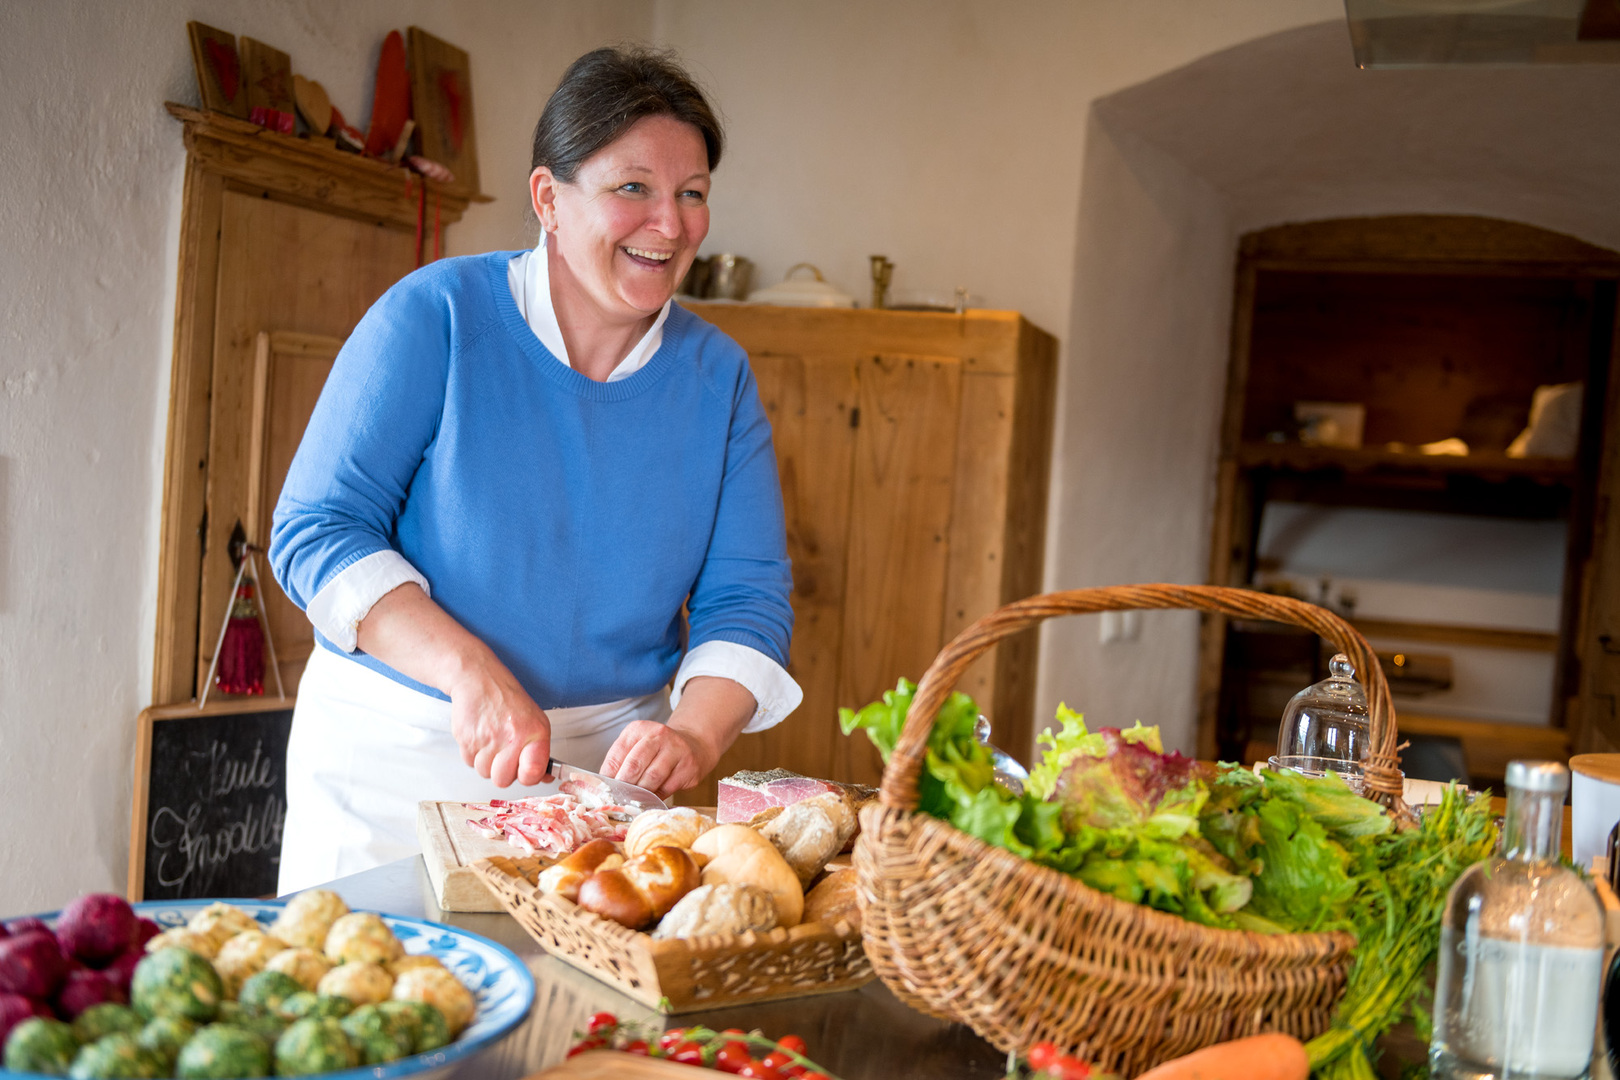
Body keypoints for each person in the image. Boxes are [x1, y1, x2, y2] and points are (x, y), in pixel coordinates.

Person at [269, 47, 800, 894]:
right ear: (549, 199)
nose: (669, 223)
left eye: (691, 193)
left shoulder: (719, 378)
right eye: (633, 188)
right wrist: (468, 673)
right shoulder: (434, 316)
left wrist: (692, 738)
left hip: (601, 794)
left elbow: (747, 598)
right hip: (395, 763)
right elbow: (317, 530)